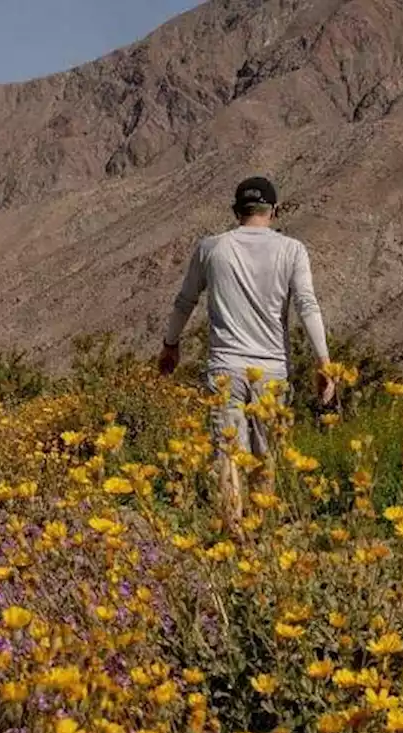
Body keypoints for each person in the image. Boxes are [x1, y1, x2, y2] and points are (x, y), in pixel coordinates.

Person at [158, 176, 336, 523]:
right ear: (275, 210)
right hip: (272, 370)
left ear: (236, 211)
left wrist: (170, 345)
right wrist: (323, 362)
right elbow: (307, 305)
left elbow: (185, 302)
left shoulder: (212, 248)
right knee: (266, 457)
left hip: (225, 368)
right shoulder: (292, 250)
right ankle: (262, 533)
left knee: (227, 454)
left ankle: (233, 532)